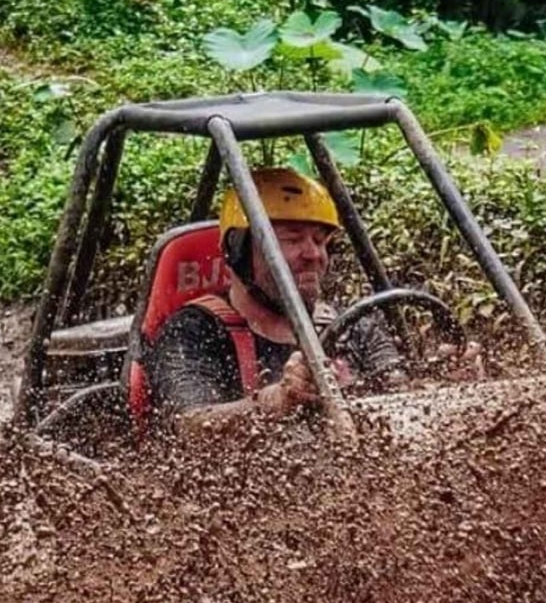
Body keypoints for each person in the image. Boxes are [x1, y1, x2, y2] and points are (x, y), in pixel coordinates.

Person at [145, 167, 405, 431]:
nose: (313, 254)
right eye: (292, 239)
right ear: (239, 251)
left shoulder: (352, 327)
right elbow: (190, 426)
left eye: (320, 240)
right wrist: (277, 400)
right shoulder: (194, 331)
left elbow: (403, 395)